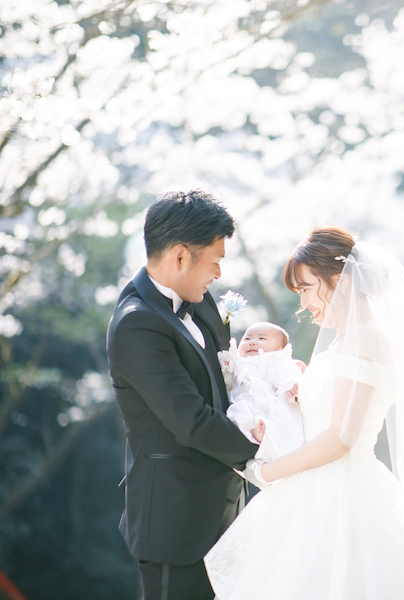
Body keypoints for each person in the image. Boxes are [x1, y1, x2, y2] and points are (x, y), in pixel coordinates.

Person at [205, 226, 404, 600]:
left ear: (342, 280)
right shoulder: (346, 338)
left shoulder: (365, 336)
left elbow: (342, 438)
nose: (303, 303)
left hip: (345, 493)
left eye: (307, 289)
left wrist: (265, 471)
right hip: (316, 490)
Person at [107, 190, 259, 600]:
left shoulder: (198, 300)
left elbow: (225, 383)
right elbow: (191, 421)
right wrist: (268, 454)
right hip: (175, 526)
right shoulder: (136, 324)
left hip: (227, 516)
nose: (219, 273)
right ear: (179, 256)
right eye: (215, 261)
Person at [219, 322, 306, 462]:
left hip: (270, 401)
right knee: (237, 412)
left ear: (280, 349)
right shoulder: (237, 362)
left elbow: (287, 371)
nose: (252, 342)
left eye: (262, 338)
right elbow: (225, 380)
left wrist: (290, 384)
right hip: (245, 400)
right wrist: (226, 367)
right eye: (247, 338)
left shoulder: (276, 360)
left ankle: (270, 436)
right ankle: (254, 432)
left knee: (285, 413)